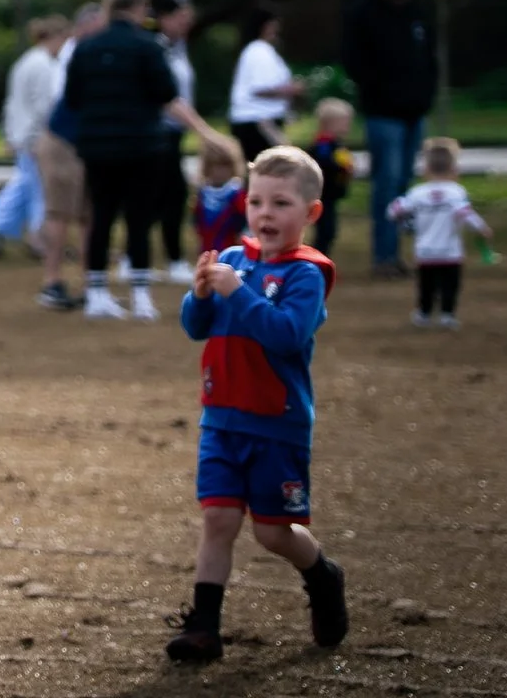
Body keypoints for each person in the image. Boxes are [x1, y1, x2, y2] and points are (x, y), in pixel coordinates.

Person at [169, 146, 348, 663]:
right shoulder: (230, 259)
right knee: (218, 521)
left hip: (277, 424)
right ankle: (203, 628)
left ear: (310, 213)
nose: (265, 214)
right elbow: (194, 328)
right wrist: (200, 295)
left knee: (272, 531)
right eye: (257, 201)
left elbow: (287, 335)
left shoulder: (306, 275)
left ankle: (321, 574)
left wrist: (238, 294)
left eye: (281, 203)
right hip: (222, 419)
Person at [63, 0, 228, 322]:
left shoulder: (87, 47)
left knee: (102, 217)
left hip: (97, 147)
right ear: (139, 8)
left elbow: (73, 98)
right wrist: (203, 130)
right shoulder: (147, 47)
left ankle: (96, 294)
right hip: (141, 146)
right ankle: (139, 296)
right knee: (138, 219)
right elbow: (167, 95)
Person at [344, 0, 438, 279]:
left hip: (414, 113)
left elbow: (429, 57)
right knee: (386, 184)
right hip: (384, 115)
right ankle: (383, 256)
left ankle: (397, 254)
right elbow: (355, 63)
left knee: (404, 184)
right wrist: (383, 92)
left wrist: (426, 94)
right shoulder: (363, 13)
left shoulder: (417, 12)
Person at [0, 15, 70, 259]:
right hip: (35, 136)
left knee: (25, 184)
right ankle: (36, 237)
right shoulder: (44, 65)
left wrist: (9, 133)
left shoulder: (27, 61)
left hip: (24, 134)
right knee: (38, 188)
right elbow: (46, 106)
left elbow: (13, 103)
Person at [33, 3, 104, 310]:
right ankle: (52, 282)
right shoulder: (75, 53)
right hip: (63, 141)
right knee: (60, 213)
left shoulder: (86, 51)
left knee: (88, 214)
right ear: (85, 26)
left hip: (83, 142)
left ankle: (92, 283)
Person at [386, 138, 493, 329]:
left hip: (425, 251)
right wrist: (482, 228)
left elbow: (394, 210)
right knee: (450, 285)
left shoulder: (417, 193)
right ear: (454, 168)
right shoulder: (456, 192)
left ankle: (424, 314)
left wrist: (405, 222)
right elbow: (465, 214)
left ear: (426, 168)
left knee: (426, 285)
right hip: (450, 251)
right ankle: (447, 315)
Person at [149, 0, 200, 285]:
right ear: (164, 18)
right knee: (172, 193)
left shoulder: (179, 47)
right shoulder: (159, 49)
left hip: (175, 131)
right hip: (161, 131)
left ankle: (140, 253)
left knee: (162, 195)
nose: (186, 22)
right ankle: (174, 259)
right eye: (181, 17)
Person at [228, 3, 305, 163]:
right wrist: (291, 90)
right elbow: (260, 88)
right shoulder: (258, 51)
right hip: (259, 123)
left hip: (260, 122)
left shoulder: (260, 50)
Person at [308, 98, 356, 258]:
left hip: (331, 195)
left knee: (330, 230)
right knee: (325, 230)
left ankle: (321, 259)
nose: (347, 126)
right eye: (344, 122)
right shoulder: (323, 144)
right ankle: (317, 260)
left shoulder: (336, 144)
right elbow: (324, 164)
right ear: (329, 123)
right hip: (323, 196)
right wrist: (341, 167)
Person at [192, 136, 249, 256]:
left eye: (224, 166)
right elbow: (197, 220)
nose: (219, 171)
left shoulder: (237, 193)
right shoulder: (203, 193)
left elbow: (244, 220)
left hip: (231, 250)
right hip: (207, 248)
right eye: (214, 166)